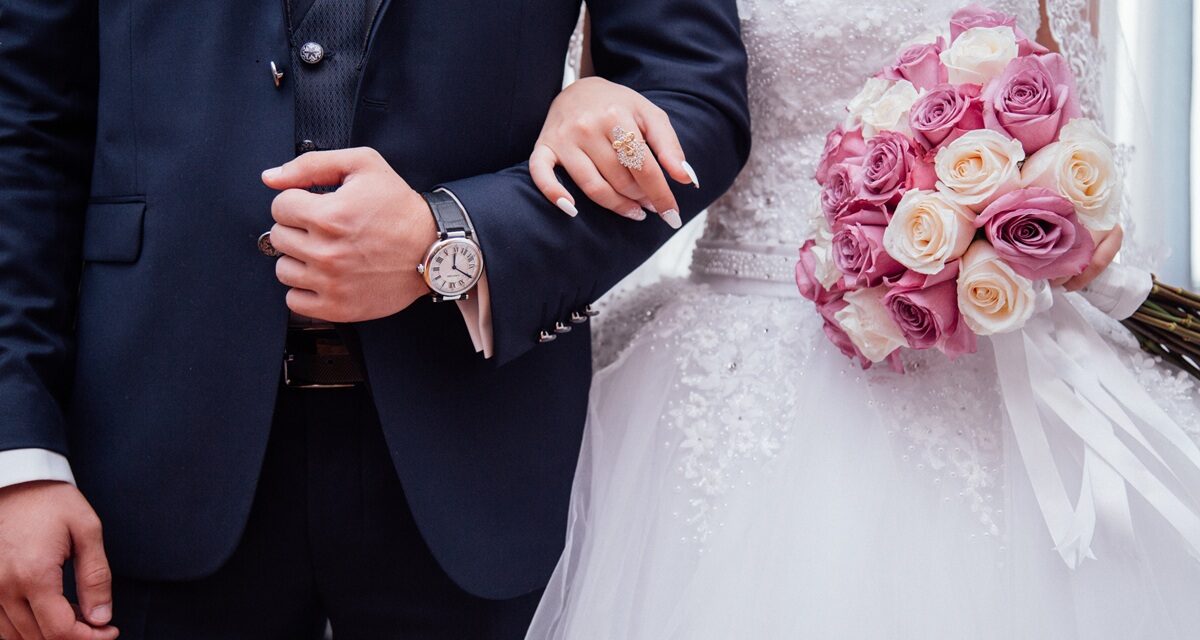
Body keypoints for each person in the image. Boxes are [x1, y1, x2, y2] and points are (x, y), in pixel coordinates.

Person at [0, 1, 749, 638]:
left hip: (480, 448)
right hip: (143, 446)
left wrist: (455, 238)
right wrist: (16, 452)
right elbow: (24, 121)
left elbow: (693, 100)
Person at [523, 1, 1200, 638]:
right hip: (742, 368)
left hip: (997, 341)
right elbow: (629, 109)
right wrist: (579, 100)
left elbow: (1067, 102)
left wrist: (1071, 223)